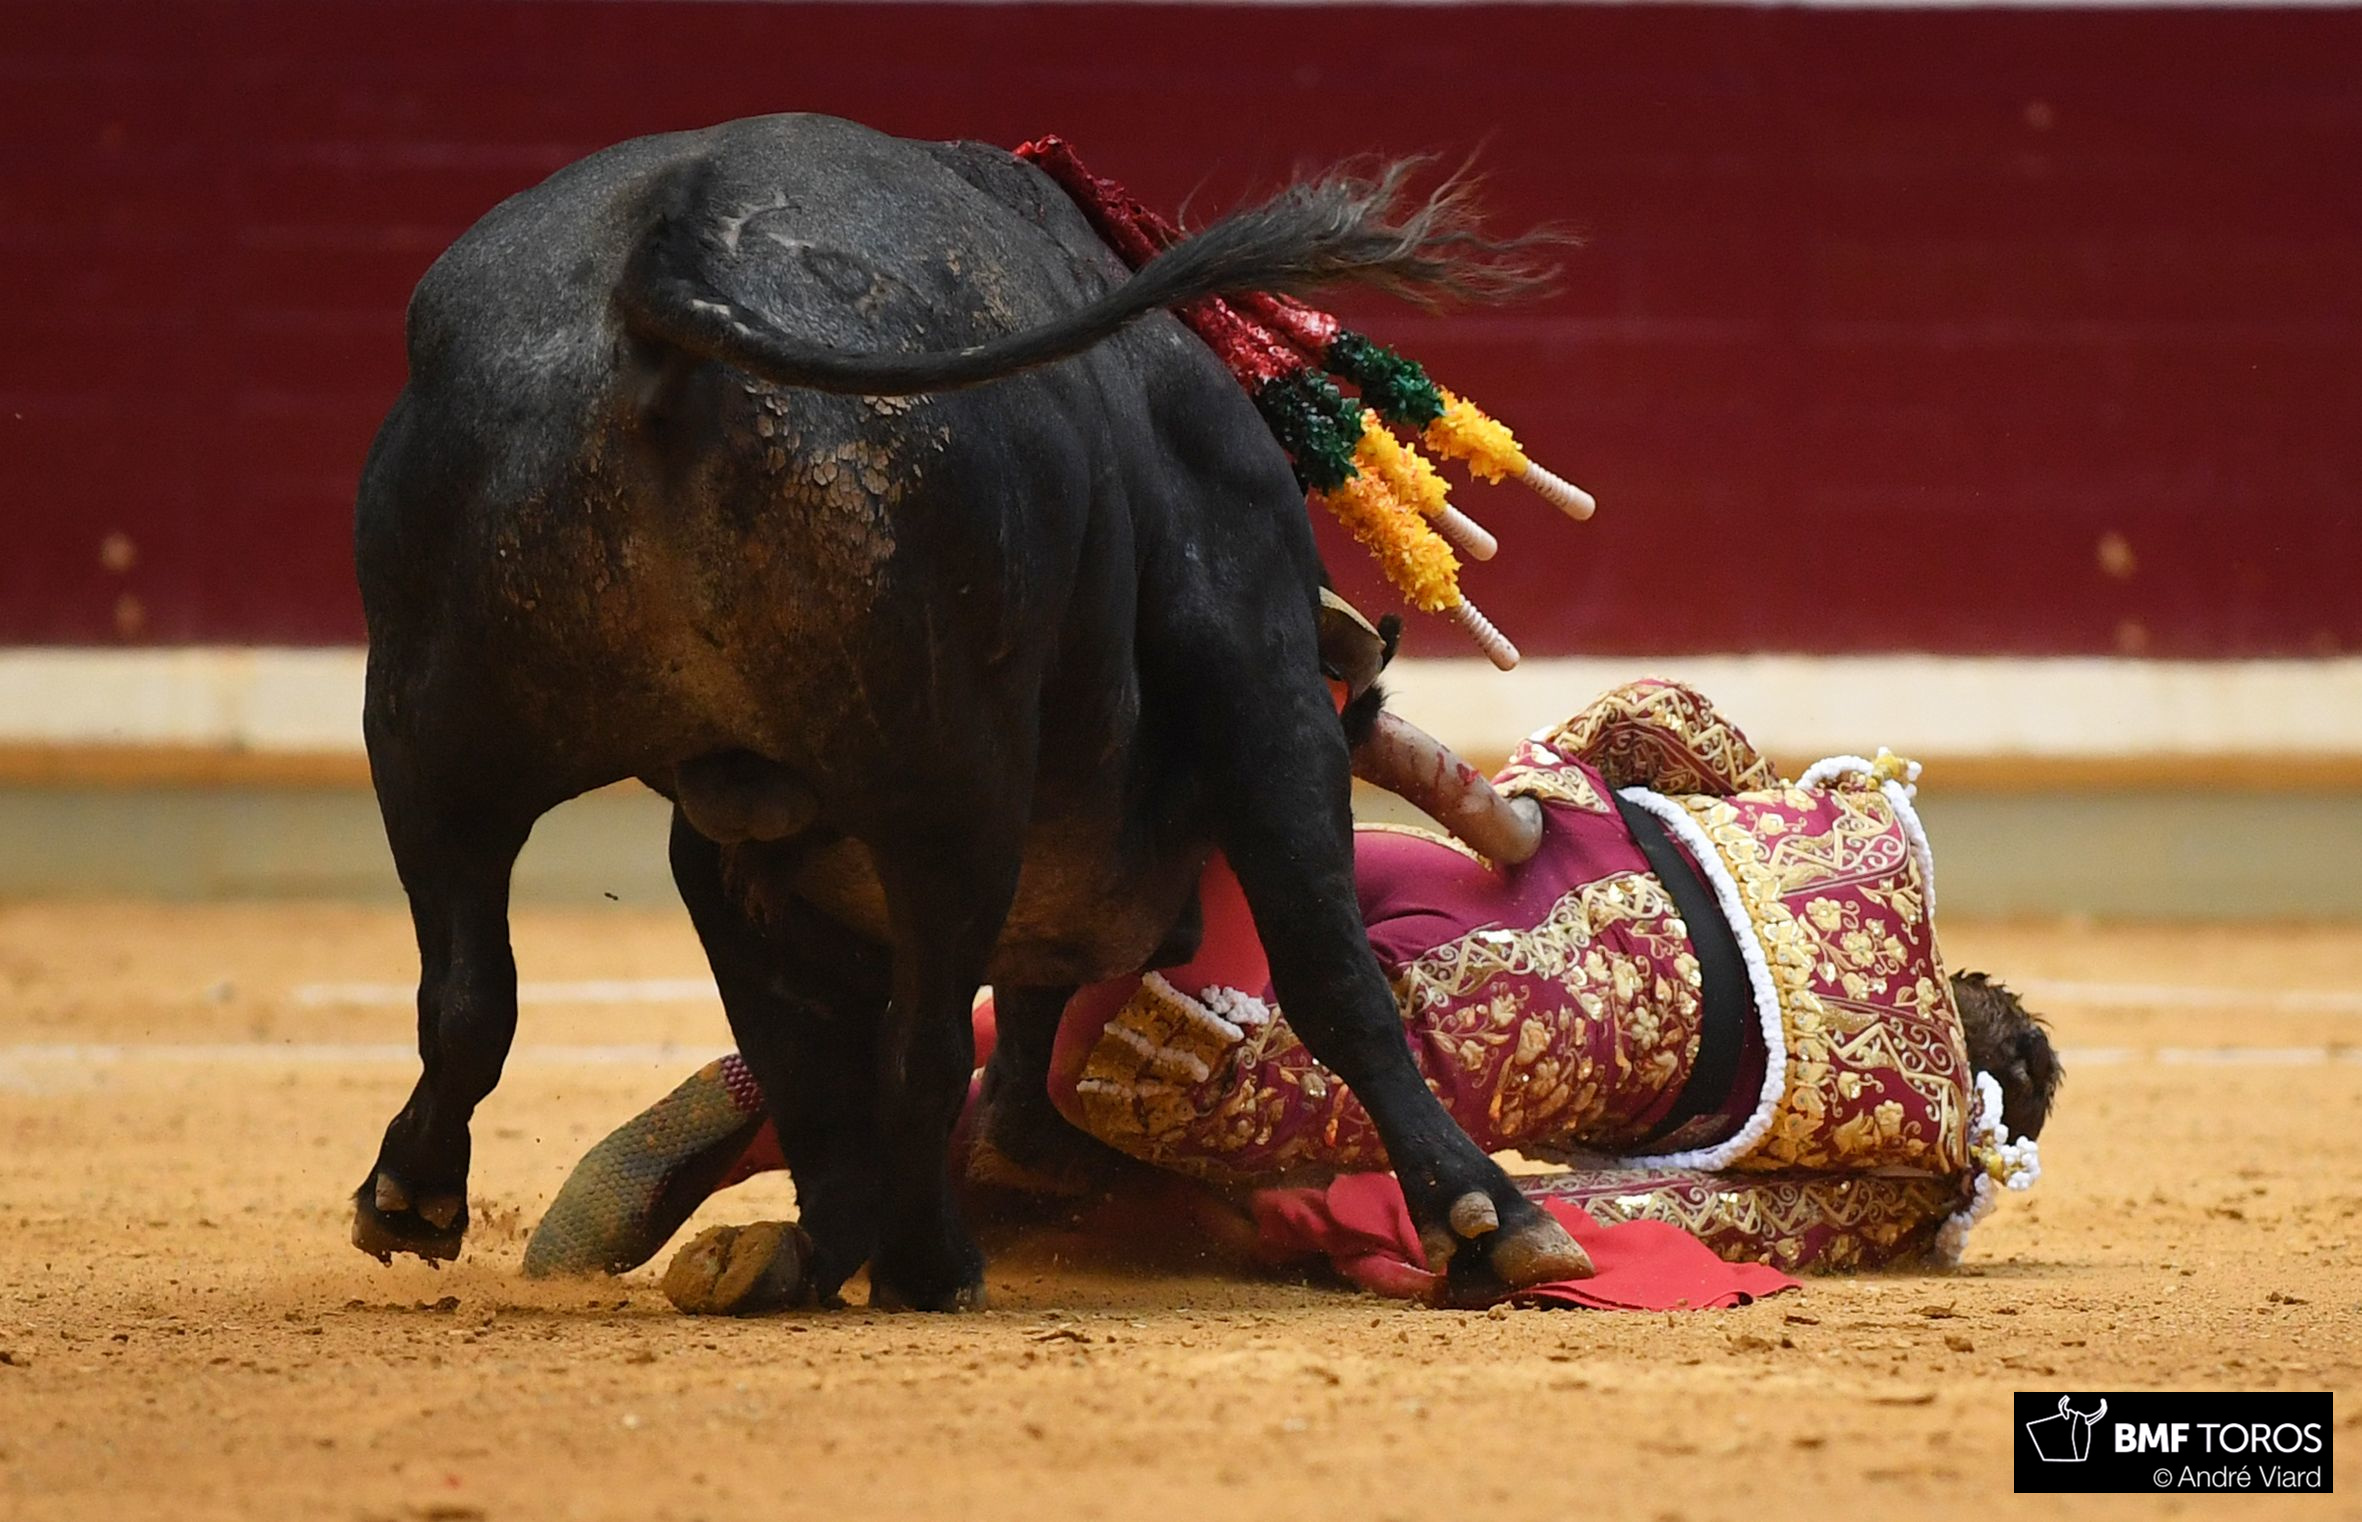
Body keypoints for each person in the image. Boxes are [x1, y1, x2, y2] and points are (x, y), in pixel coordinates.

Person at [525, 678, 2058, 1310]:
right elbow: (1696, 1228)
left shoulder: (1835, 837)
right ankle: (829, 1147)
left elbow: (1652, 719)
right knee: (1195, 1145)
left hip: (1403, 859)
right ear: (1970, 1091)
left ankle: (1281, 708)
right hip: (1408, 1046)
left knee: (1258, 844)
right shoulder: (1901, 1137)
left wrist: (1526, 810)